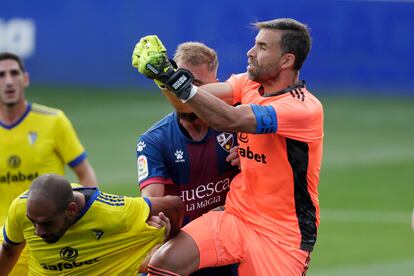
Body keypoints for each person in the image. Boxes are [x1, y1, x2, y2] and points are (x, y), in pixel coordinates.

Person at [133, 18, 323, 275]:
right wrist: (164, 74)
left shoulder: (302, 108)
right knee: (162, 263)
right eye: (255, 44)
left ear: (286, 60)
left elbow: (230, 119)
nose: (250, 52)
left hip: (283, 235)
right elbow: (187, 102)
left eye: (262, 47)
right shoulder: (246, 83)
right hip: (236, 216)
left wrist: (174, 80)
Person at [138, 42, 239, 276]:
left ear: (216, 86)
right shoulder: (155, 140)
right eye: (180, 80)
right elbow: (151, 203)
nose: (185, 92)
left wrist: (251, 159)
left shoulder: (237, 123)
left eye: (197, 85)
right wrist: (155, 222)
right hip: (182, 254)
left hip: (231, 248)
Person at [0, 52, 98, 275]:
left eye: (14, 73)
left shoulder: (53, 121)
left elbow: (85, 174)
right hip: (5, 241)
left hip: (47, 239)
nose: (8, 81)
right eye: (1, 75)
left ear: (25, 79)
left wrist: (87, 221)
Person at [0, 174, 184, 275]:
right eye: (33, 222)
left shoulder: (115, 212)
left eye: (47, 223)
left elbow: (174, 204)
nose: (38, 231)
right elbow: (9, 250)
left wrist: (168, 242)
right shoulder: (20, 208)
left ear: (71, 210)